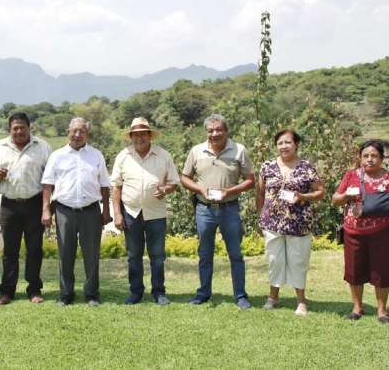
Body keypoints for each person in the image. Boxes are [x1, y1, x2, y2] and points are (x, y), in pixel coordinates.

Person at [181, 114, 255, 309]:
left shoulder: (239, 150)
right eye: (210, 130)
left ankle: (240, 296)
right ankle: (203, 294)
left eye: (219, 130)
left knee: (236, 254)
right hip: (204, 209)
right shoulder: (197, 151)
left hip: (230, 208)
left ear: (226, 130)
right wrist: (200, 190)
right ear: (206, 132)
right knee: (205, 254)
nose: (215, 134)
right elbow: (185, 178)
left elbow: (250, 180)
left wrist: (230, 191)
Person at [41, 117, 112, 307]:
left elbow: (104, 185)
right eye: (74, 131)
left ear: (88, 135)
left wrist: (106, 210)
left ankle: (92, 294)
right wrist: (46, 210)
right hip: (64, 211)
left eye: (82, 131)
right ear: (68, 133)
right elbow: (48, 185)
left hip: (91, 211)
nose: (77, 135)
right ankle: (66, 294)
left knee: (91, 254)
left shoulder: (96, 155)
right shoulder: (57, 156)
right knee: (65, 254)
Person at [0, 113, 52, 305]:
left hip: (34, 204)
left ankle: (34, 290)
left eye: (22, 127)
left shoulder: (43, 147)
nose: (19, 131)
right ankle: (7, 291)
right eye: (15, 128)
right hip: (9, 206)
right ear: (10, 130)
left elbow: (50, 180)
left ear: (29, 128)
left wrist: (47, 208)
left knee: (34, 249)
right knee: (10, 251)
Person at [255, 129, 325, 316]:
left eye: (288, 142)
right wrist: (260, 217)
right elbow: (260, 194)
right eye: (280, 143)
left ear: (296, 144)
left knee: (298, 260)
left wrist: (303, 196)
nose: (284, 146)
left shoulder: (307, 167)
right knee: (274, 260)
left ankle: (301, 301)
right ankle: (273, 297)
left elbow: (320, 192)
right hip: (272, 222)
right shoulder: (267, 166)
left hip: (299, 223)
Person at [111, 117, 179, 306]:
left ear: (150, 135)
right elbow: (116, 187)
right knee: (134, 256)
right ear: (131, 137)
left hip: (155, 214)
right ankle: (136, 292)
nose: (139, 138)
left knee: (157, 256)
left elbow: (174, 182)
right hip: (131, 213)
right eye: (135, 135)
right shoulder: (123, 156)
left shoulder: (163, 155)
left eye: (142, 134)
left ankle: (159, 292)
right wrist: (117, 214)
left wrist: (165, 189)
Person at [332, 140, 389, 324]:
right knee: (354, 270)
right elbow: (335, 199)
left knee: (382, 270)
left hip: (382, 232)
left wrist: (367, 207)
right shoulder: (351, 175)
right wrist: (346, 196)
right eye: (365, 156)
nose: (369, 159)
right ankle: (357, 308)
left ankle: (382, 311)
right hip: (353, 233)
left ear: (381, 158)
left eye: (374, 156)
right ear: (360, 158)